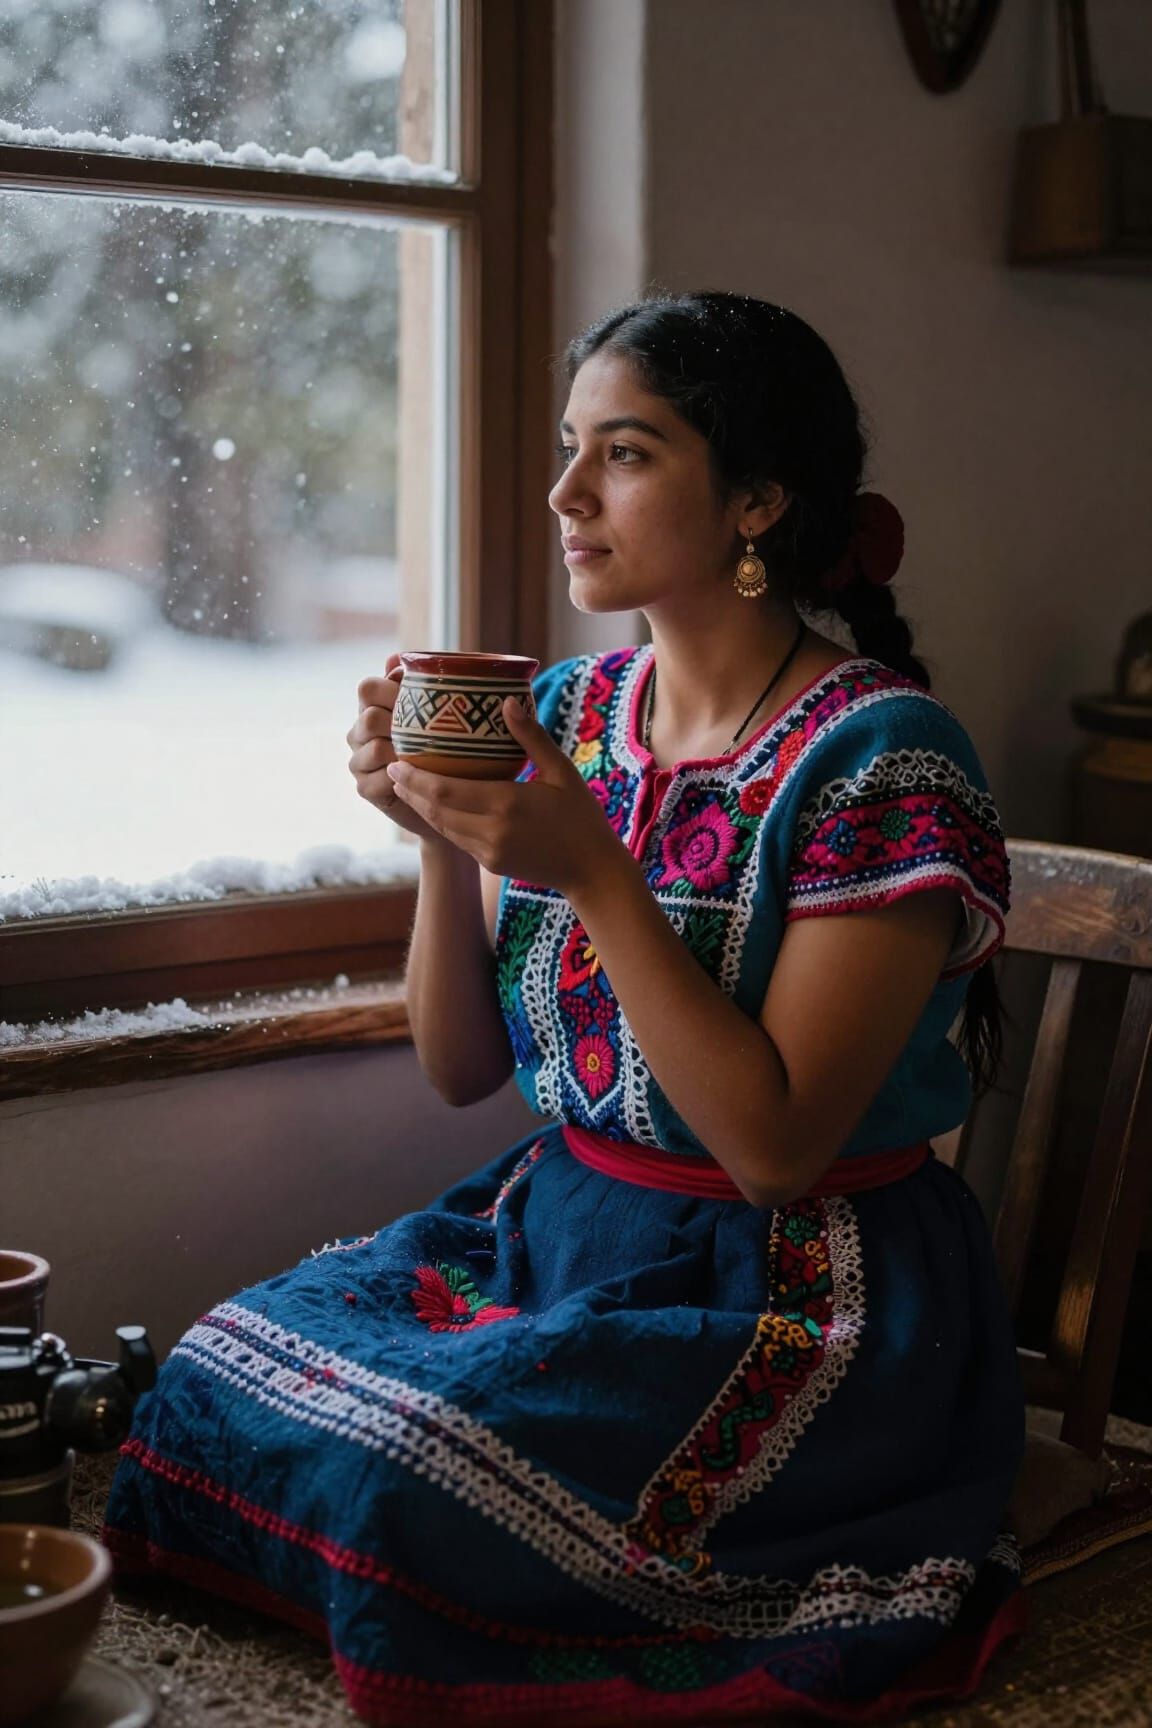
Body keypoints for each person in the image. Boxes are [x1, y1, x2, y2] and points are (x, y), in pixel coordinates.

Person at [105, 291, 1025, 1723]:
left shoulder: (885, 762)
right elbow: (464, 1069)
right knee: (208, 1376)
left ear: (758, 503)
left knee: (403, 1476)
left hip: (795, 1286)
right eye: (567, 447)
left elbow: (774, 1155)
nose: (565, 494)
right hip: (562, 1226)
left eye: (628, 453)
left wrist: (593, 874)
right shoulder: (577, 716)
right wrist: (434, 833)